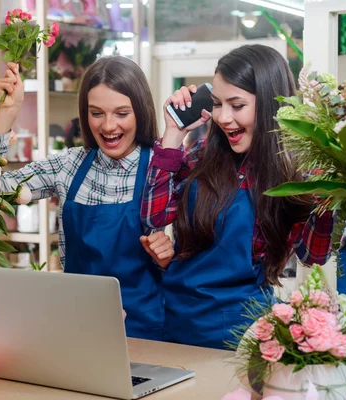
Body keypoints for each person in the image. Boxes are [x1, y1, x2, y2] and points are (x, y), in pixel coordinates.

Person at [140, 44, 334, 349]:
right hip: (174, 322)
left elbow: (313, 255)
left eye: (237, 105)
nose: (223, 117)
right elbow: (154, 216)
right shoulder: (200, 155)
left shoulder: (295, 174)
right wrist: (173, 136)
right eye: (217, 103)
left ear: (270, 104)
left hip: (243, 335)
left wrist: (327, 195)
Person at [0, 56, 174, 341]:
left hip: (145, 333)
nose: (108, 126)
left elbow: (200, 261)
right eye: (97, 113)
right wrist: (8, 114)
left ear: (141, 112)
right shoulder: (68, 166)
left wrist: (169, 258)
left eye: (122, 113)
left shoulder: (161, 169)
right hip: (79, 330)